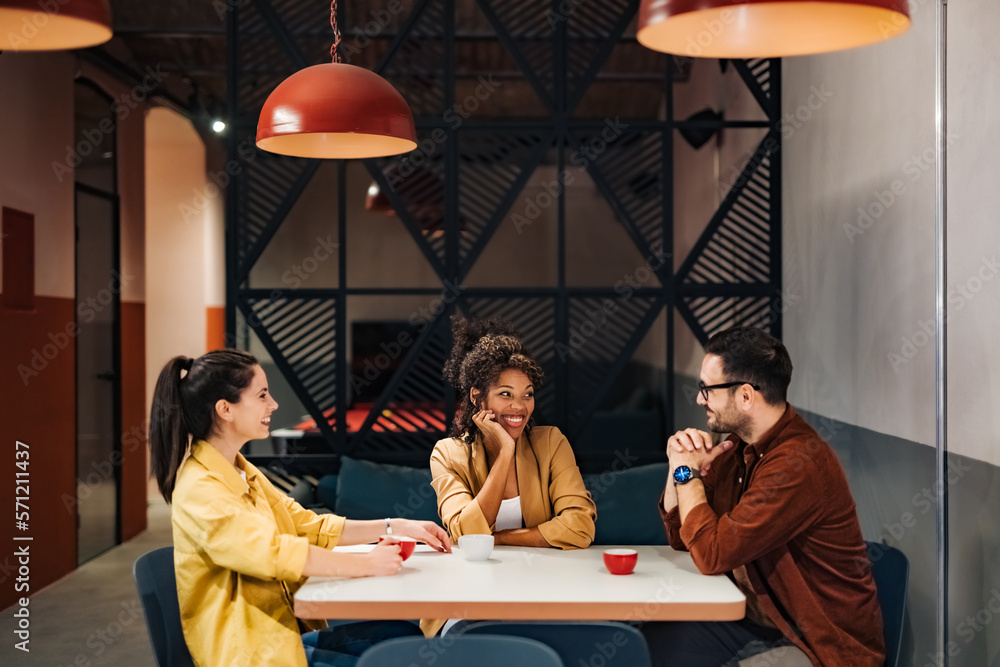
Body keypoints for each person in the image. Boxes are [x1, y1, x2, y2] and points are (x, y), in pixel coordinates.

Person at [149, 350, 451, 667]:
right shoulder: (200, 488)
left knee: (402, 636)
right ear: (225, 409)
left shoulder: (241, 469)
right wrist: (369, 564)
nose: (273, 405)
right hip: (253, 654)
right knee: (401, 657)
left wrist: (394, 526)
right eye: (262, 395)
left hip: (284, 635)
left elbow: (306, 525)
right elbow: (272, 552)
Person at [640, 326, 884, 667]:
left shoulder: (796, 465)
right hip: (755, 622)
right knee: (644, 646)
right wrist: (676, 464)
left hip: (817, 644)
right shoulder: (737, 448)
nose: (699, 400)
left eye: (706, 389)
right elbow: (686, 539)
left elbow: (711, 554)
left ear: (745, 396)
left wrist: (688, 474)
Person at [423, 317, 596, 636]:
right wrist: (504, 452)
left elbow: (579, 526)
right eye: (506, 394)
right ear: (478, 397)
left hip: (541, 590)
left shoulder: (550, 442)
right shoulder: (447, 453)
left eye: (527, 395)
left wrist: (497, 540)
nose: (520, 406)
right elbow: (466, 530)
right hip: (468, 597)